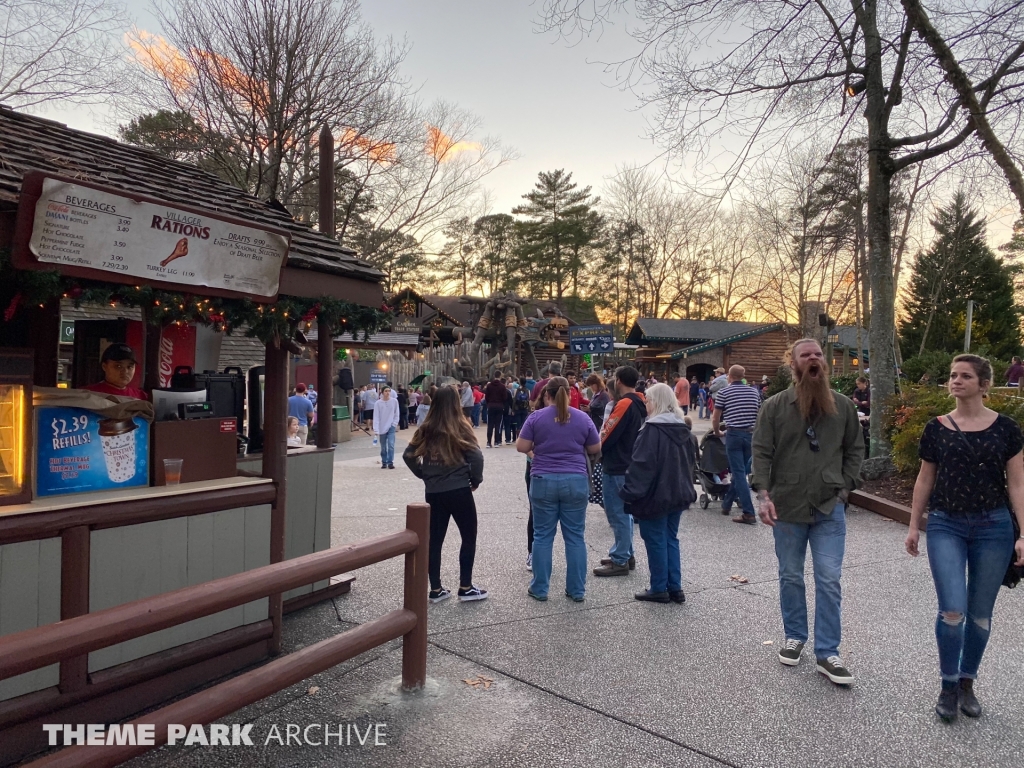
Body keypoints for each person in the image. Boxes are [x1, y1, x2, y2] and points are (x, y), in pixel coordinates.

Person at [905, 354, 1024, 721]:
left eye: (965, 376)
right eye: (953, 375)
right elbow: (925, 478)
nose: (955, 380)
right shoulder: (936, 428)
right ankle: (948, 684)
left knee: (980, 614)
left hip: (994, 527)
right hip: (947, 524)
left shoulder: (1006, 429)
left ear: (984, 385)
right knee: (953, 609)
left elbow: (1017, 484)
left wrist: (1023, 533)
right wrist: (913, 525)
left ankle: (967, 682)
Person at [752, 339, 864, 686]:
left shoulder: (843, 406)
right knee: (790, 575)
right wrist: (763, 495)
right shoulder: (774, 406)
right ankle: (795, 636)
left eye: (818, 355)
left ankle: (828, 652)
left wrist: (845, 488)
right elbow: (761, 452)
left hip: (829, 505)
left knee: (829, 579)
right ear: (794, 365)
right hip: (787, 505)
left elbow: (855, 449)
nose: (814, 359)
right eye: (806, 355)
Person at [517, 377, 602, 601]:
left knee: (542, 536)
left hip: (543, 478)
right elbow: (595, 447)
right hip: (575, 479)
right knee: (575, 537)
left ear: (547, 395)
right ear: (570, 394)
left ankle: (540, 588)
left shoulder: (536, 417)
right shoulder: (582, 417)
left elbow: (522, 446)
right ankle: (576, 590)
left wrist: (538, 448)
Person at [403, 385, 487, 603]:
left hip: (434, 492)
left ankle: (436, 589)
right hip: (459, 490)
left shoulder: (426, 428)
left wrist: (424, 473)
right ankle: (465, 586)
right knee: (468, 536)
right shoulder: (460, 426)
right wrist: (475, 479)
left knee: (434, 540)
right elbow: (476, 457)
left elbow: (408, 455)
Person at [619, 383, 697, 603]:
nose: (646, 404)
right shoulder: (683, 429)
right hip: (678, 492)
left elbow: (641, 465)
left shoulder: (652, 430)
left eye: (648, 400)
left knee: (655, 540)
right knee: (670, 538)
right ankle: (675, 586)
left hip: (654, 494)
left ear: (656, 402)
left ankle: (659, 587)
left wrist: (629, 492)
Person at [594, 366, 647, 577]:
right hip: (631, 462)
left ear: (618, 381)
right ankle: (625, 552)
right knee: (625, 513)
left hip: (617, 463)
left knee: (617, 512)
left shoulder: (624, 403)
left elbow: (608, 433)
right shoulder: (641, 401)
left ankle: (620, 558)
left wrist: (596, 450)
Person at [713, 364, 763, 525]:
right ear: (743, 376)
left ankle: (749, 512)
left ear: (730, 376)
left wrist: (717, 432)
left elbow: (716, 417)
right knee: (741, 471)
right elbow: (760, 413)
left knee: (739, 473)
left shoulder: (724, 392)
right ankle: (727, 504)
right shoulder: (754, 392)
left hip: (733, 434)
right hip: (751, 434)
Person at [82, 343, 147, 400]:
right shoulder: (86, 395)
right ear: (104, 366)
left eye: (129, 367)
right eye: (118, 366)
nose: (125, 371)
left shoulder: (142, 397)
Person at [372, 386, 400, 469]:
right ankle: (384, 461)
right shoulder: (378, 403)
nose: (388, 393)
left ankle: (390, 462)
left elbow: (396, 413)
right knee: (383, 447)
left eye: (389, 391)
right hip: (382, 427)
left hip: (391, 426)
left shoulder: (394, 401)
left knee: (391, 444)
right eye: (386, 391)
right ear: (382, 392)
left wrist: (394, 424)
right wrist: (376, 429)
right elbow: (376, 416)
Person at [483, 372, 507, 448]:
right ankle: (496, 441)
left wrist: (489, 403)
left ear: (494, 376)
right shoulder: (502, 386)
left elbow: (486, 397)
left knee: (490, 424)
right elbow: (504, 397)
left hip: (491, 405)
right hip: (499, 406)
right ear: (500, 376)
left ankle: (488, 442)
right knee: (498, 424)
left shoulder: (489, 386)